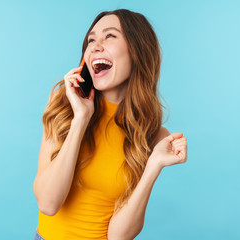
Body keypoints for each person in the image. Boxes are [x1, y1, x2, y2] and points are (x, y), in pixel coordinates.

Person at [33, 9, 188, 240]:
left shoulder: (153, 135)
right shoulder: (63, 105)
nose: (95, 45)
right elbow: (48, 203)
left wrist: (153, 166)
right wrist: (81, 119)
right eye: (91, 39)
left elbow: (119, 236)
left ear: (137, 51)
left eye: (110, 36)